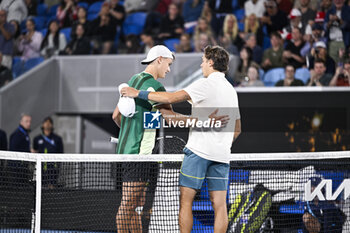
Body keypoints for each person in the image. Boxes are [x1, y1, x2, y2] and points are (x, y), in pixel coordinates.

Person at [121, 45, 241, 233]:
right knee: (220, 206)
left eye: (203, 61)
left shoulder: (206, 84)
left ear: (211, 62)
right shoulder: (231, 90)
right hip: (222, 155)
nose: (201, 65)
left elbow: (171, 97)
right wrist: (221, 143)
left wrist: (138, 93)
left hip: (198, 152)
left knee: (185, 203)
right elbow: (237, 129)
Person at [113, 45, 175, 233]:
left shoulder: (133, 80)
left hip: (125, 152)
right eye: (168, 64)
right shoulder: (156, 87)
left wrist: (129, 131)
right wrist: (203, 121)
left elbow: (116, 116)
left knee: (136, 206)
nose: (169, 69)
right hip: (139, 154)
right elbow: (171, 118)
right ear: (159, 60)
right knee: (128, 207)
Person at [33, 117, 64, 188]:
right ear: (42, 125)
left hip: (53, 169)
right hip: (40, 169)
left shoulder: (57, 139)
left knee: (51, 190)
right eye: (45, 122)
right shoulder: (37, 139)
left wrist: (57, 168)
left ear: (52, 125)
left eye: (49, 123)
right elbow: (34, 152)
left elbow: (61, 154)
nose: (47, 124)